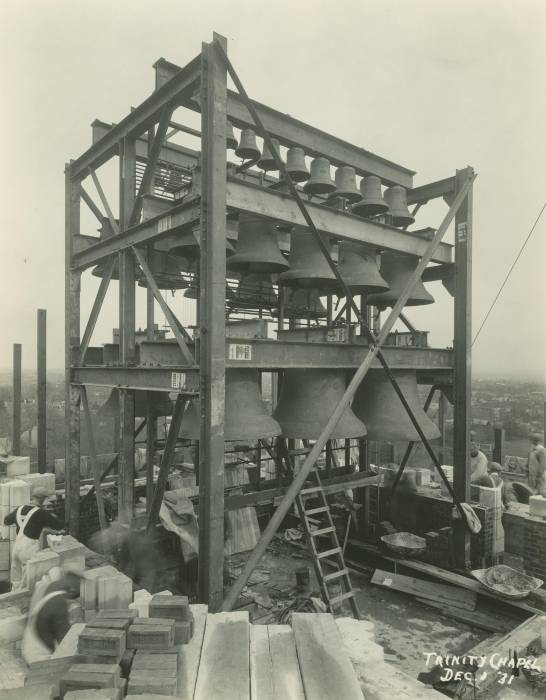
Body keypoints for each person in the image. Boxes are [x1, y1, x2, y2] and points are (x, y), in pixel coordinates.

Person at [3, 486, 63, 590]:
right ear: (42, 499)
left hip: (16, 550)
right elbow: (59, 525)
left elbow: (6, 521)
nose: (48, 502)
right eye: (47, 499)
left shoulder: (20, 508)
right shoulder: (40, 513)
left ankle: (12, 598)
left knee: (16, 582)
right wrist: (52, 516)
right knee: (26, 585)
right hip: (27, 552)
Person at [22, 568, 81, 664]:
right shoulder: (59, 603)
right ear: (72, 590)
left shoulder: (50, 588)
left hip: (28, 649)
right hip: (38, 659)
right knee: (75, 642)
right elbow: (64, 641)